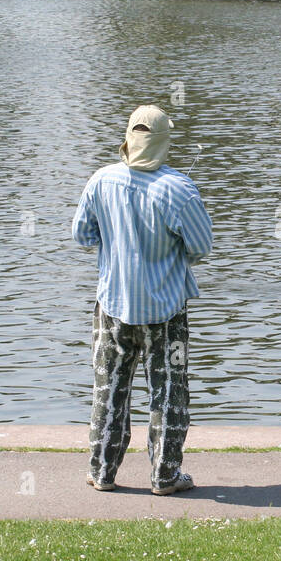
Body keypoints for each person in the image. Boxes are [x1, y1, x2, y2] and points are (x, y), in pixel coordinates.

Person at [72, 105, 212, 495]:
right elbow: (201, 247)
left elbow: (82, 235)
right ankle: (165, 476)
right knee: (168, 392)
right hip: (165, 310)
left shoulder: (101, 180)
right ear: (165, 141)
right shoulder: (179, 188)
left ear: (128, 140)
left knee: (108, 390)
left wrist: (117, 246)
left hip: (112, 305)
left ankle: (102, 471)